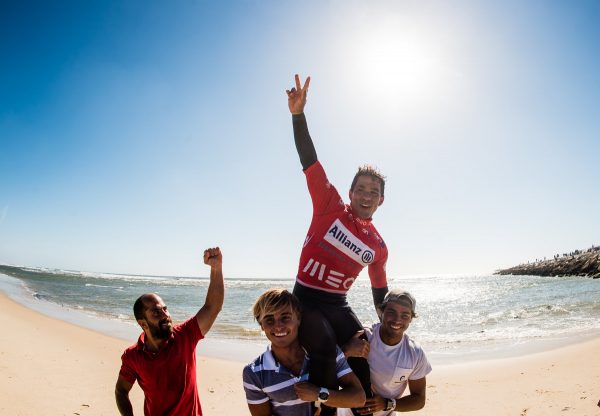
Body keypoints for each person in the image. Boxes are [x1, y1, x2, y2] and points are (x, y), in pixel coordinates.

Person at [286, 74, 389, 415]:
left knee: (363, 347)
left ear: (381, 200)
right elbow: (309, 161)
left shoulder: (378, 246)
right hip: (305, 298)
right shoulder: (329, 205)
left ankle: (364, 409)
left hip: (337, 304)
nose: (366, 196)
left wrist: (391, 325)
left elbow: (380, 293)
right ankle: (324, 410)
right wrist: (298, 115)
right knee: (325, 344)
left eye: (373, 192)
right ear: (350, 193)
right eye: (361, 189)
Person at [114, 247, 225, 416]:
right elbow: (121, 391)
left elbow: (212, 307)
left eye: (165, 309)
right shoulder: (133, 356)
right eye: (156, 312)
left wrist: (216, 268)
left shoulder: (185, 335)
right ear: (142, 323)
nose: (165, 315)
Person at [243, 289, 365, 415]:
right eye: (269, 320)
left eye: (285, 318)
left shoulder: (328, 352)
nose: (278, 326)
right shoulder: (254, 373)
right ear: (261, 325)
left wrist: (319, 394)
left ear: (298, 319)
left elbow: (359, 398)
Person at [340, 289, 431, 415]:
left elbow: (419, 399)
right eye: (391, 312)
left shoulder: (414, 353)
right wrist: (345, 351)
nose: (397, 320)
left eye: (405, 315)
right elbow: (324, 368)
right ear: (380, 311)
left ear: (411, 319)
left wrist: (387, 404)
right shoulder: (362, 336)